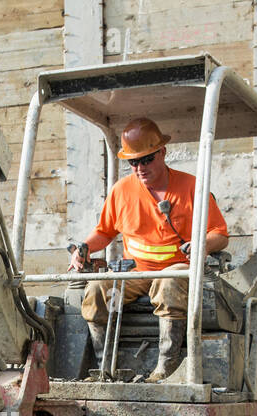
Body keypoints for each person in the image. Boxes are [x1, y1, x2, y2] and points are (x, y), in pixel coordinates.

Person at [72, 117, 229, 381]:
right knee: (98, 288)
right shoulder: (122, 191)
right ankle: (103, 368)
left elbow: (220, 235)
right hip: (135, 272)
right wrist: (85, 247)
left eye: (146, 160)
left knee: (169, 281)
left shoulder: (192, 188)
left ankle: (166, 367)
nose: (140, 168)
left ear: (162, 152)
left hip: (177, 269)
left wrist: (203, 246)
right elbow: (104, 231)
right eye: (133, 162)